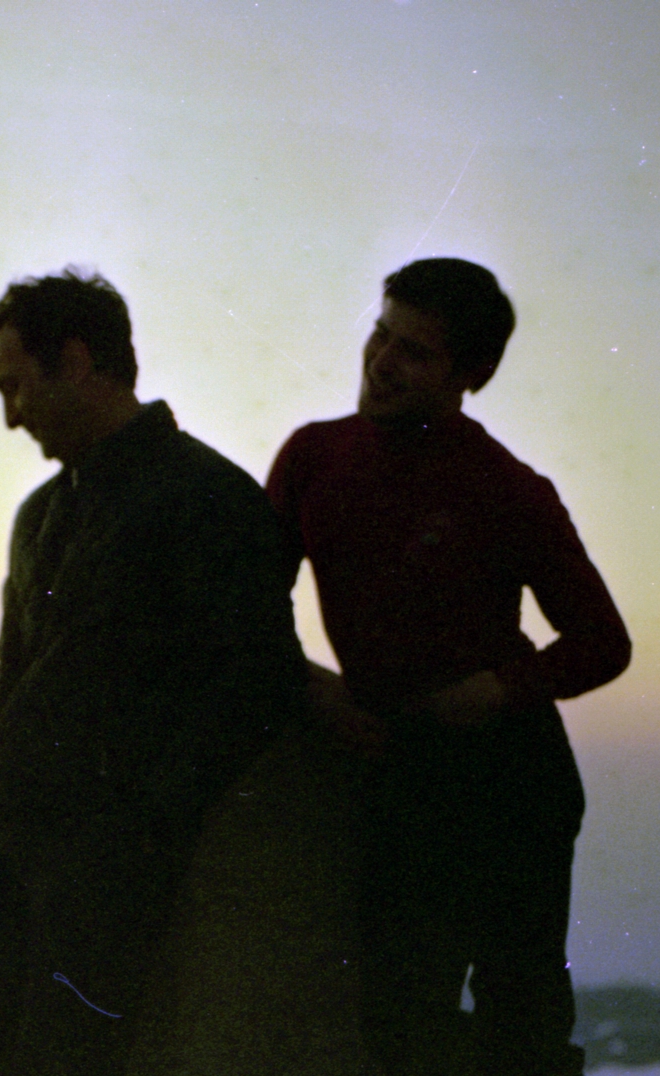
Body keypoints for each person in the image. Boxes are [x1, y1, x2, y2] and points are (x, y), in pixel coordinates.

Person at [0, 268, 306, 1075]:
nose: (10, 416)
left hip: (103, 876)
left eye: (16, 386)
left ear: (77, 361)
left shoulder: (211, 500)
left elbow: (260, 685)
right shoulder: (40, 514)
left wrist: (139, 828)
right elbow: (13, 676)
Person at [266, 258, 631, 1076]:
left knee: (521, 1024)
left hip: (511, 783)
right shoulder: (314, 457)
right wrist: (309, 685)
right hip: (397, 773)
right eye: (380, 335)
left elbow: (605, 640)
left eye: (415, 353)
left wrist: (498, 689)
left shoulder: (508, 488)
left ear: (475, 374)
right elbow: (248, 601)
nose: (382, 363)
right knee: (396, 1017)